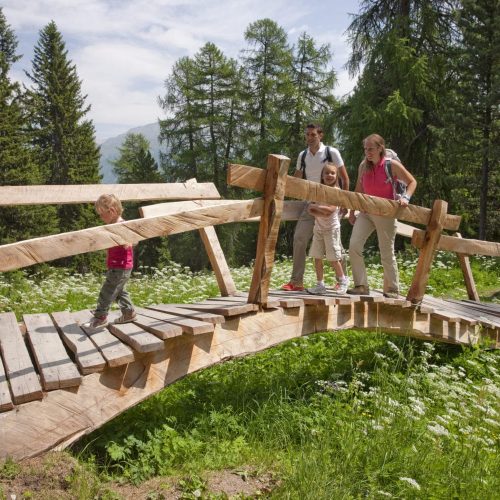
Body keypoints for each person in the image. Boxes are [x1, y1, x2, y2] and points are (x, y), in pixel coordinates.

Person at [347, 133, 417, 298]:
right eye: (365, 149)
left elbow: (412, 182)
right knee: (354, 246)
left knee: (386, 252)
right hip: (366, 213)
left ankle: (392, 289)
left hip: (386, 213)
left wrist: (406, 197)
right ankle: (361, 285)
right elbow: (358, 189)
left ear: (380, 148)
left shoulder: (391, 165)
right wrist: (352, 211)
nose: (367, 152)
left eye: (371, 149)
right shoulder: (363, 166)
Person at [282, 123, 349, 291]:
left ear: (321, 135)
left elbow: (344, 178)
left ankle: (342, 281)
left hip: (330, 202)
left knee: (335, 244)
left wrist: (345, 202)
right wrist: (284, 188)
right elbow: (297, 179)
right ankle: (296, 282)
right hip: (310, 203)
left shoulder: (331, 152)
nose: (310, 138)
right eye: (307, 135)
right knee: (299, 238)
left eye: (313, 135)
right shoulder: (302, 155)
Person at [83, 194, 137, 329]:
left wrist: (128, 242)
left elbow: (133, 239)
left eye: (102, 214)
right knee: (119, 290)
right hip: (118, 266)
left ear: (111, 211)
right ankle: (129, 313)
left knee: (107, 291)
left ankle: (100, 317)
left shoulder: (121, 225)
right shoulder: (113, 225)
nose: (101, 218)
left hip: (121, 266)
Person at [306, 163, 350, 295]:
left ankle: (343, 280)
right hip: (318, 228)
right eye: (327, 173)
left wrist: (317, 209)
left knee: (333, 257)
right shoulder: (318, 190)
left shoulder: (336, 191)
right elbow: (310, 210)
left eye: (332, 173)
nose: (329, 175)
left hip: (331, 229)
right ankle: (320, 284)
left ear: (336, 176)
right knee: (317, 256)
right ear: (322, 175)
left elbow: (330, 210)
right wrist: (320, 211)